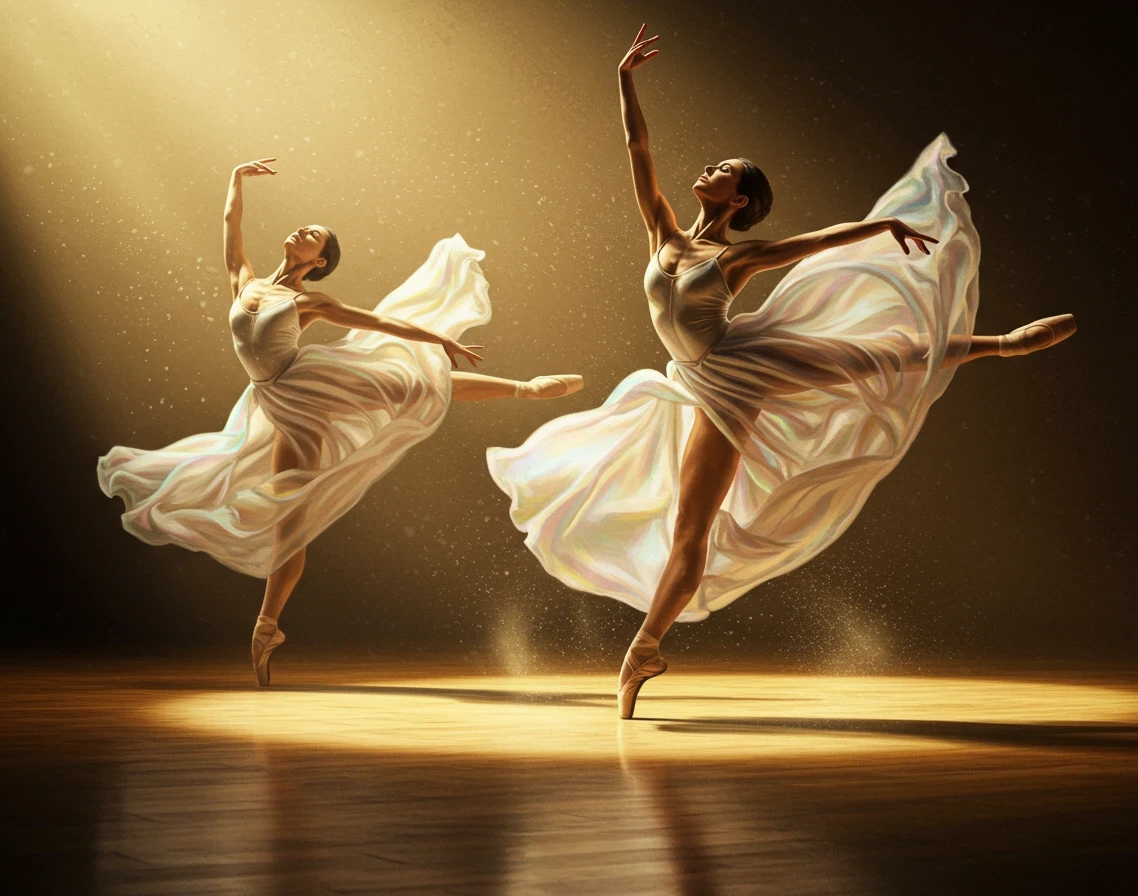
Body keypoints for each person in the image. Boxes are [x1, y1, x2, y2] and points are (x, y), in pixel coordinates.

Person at [487, 26, 1075, 719]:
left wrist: (881, 228)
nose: (708, 169)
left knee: (867, 360)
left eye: (723, 170)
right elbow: (637, 151)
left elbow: (812, 244)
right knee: (692, 524)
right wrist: (625, 78)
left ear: (738, 200)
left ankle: (1001, 343)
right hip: (704, 379)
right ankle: (647, 649)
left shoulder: (735, 258)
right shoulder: (663, 232)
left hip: (743, 370)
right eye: (712, 165)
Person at [98, 158, 583, 685]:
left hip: (306, 393)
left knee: (404, 389)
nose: (302, 230)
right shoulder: (246, 281)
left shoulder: (310, 301)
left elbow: (376, 321)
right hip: (273, 400)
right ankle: (269, 627)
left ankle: (526, 388)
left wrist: (439, 339)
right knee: (292, 519)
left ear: (320, 260)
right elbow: (230, 228)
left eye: (315, 235)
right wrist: (236, 180)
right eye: (304, 227)